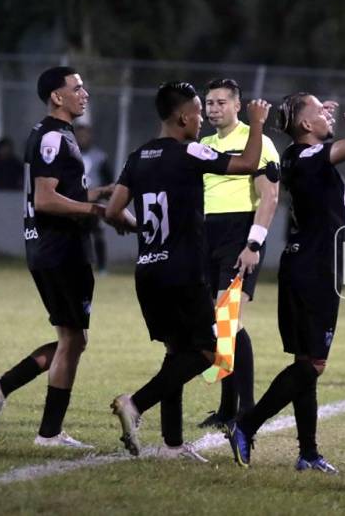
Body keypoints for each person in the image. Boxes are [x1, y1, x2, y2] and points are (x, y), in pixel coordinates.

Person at [106, 83, 270, 460]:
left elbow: (114, 211)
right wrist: (257, 123)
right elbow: (246, 164)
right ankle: (136, 403)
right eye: (198, 112)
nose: (202, 119)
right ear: (182, 117)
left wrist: (140, 228)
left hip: (147, 271)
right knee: (212, 352)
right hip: (183, 271)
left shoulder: (137, 156)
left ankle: (173, 444)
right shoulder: (189, 151)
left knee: (176, 352)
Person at [225, 93, 345, 474]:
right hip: (315, 267)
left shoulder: (299, 155)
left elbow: (317, 135)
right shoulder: (305, 157)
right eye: (317, 111)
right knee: (315, 364)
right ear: (305, 126)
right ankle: (247, 422)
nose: (326, 113)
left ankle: (308, 452)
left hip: (302, 263)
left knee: (305, 360)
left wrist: (321, 116)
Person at [0, 66, 116, 449]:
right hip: (59, 250)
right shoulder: (54, 136)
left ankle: (1, 388)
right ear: (58, 96)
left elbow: (62, 192)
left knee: (73, 339)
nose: (84, 93)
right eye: (77, 87)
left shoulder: (53, 134)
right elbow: (46, 199)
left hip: (53, 249)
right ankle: (48, 432)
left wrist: (99, 192)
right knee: (73, 341)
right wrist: (97, 212)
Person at [196, 78, 280, 430]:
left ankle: (246, 408)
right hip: (206, 235)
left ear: (236, 104)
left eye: (219, 102)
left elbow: (270, 196)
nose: (213, 109)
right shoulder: (204, 144)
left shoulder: (256, 141)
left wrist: (254, 243)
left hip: (239, 234)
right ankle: (228, 409)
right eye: (209, 103)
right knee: (218, 325)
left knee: (227, 319)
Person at [75, 124, 114, 274]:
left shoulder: (100, 156)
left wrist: (105, 196)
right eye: (79, 135)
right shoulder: (69, 154)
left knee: (97, 232)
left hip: (94, 201)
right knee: (76, 234)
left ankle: (102, 267)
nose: (82, 138)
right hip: (75, 200)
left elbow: (108, 178)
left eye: (85, 135)